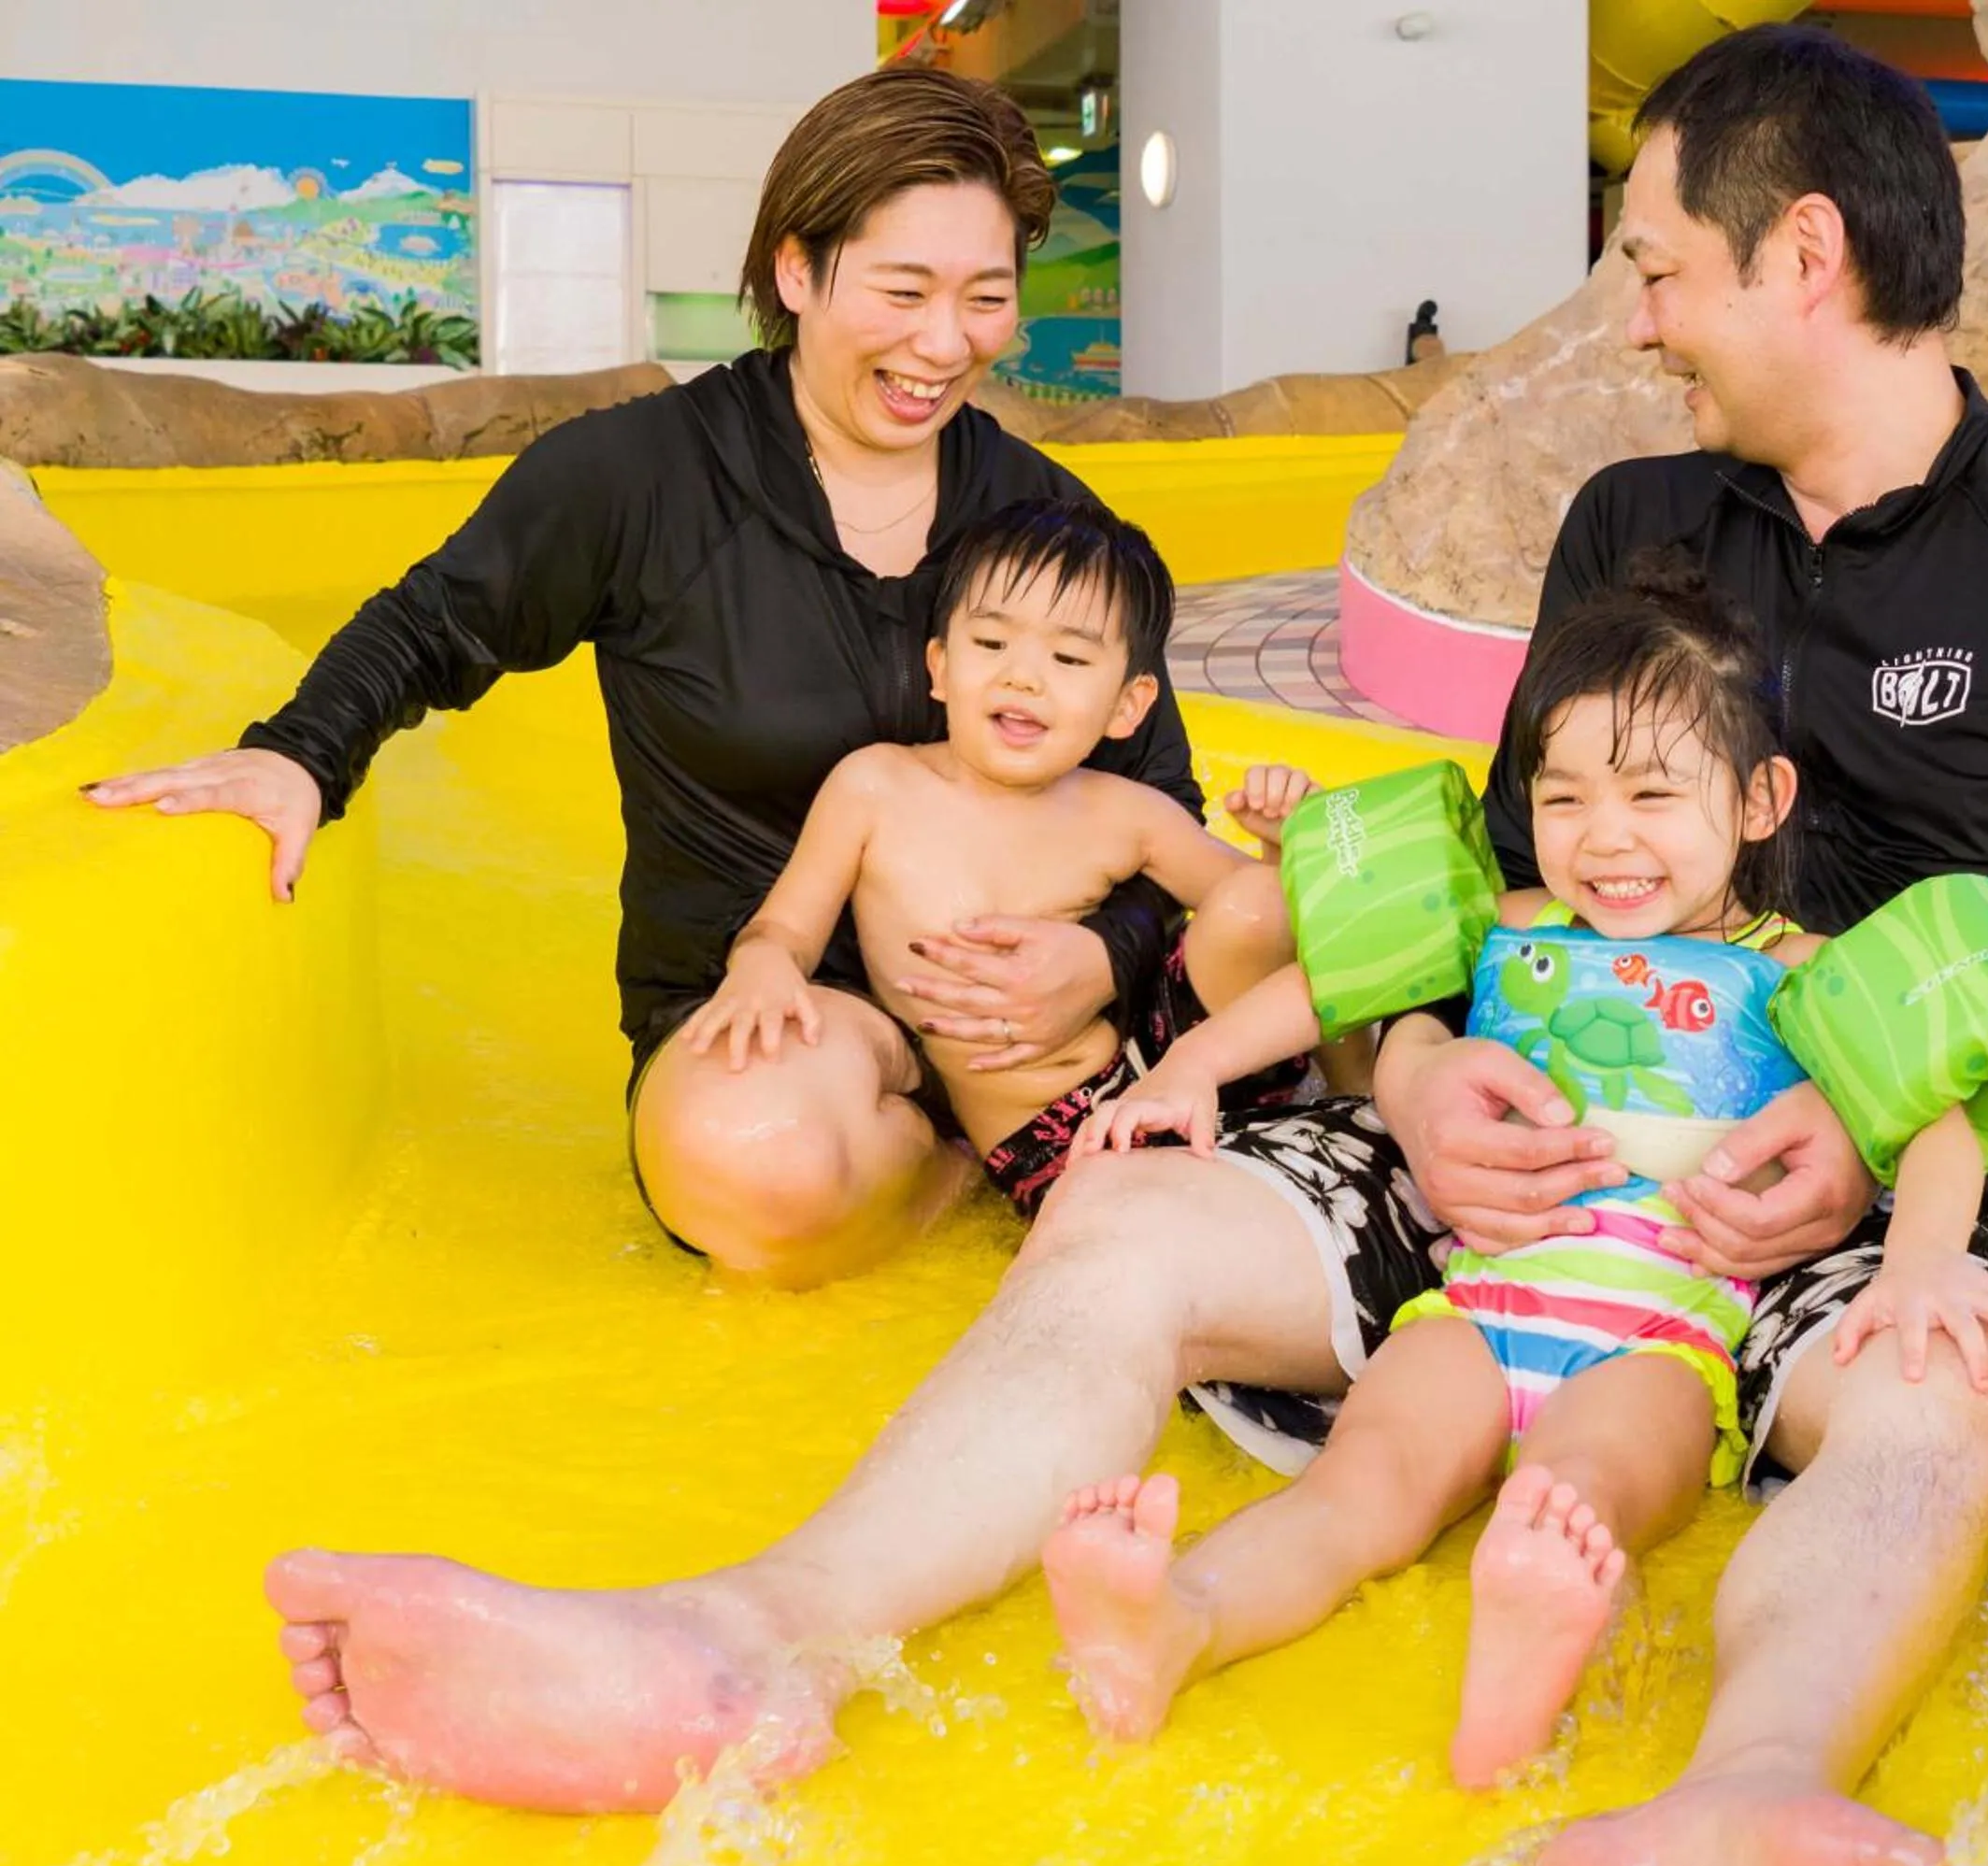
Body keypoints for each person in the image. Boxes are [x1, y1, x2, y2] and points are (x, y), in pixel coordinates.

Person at [259, 29, 1988, 1866]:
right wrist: (1410, 1069)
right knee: (1125, 1215)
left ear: (1806, 256)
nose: (1642, 318)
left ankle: (1740, 1810)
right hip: (1524, 1133)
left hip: (1839, 1191)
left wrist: (1878, 1141)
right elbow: (1484, 888)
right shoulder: (1636, 523)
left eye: (1659, 263)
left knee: (1960, 1391)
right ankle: (756, 1638)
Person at [80, 67, 1202, 1283]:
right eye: (903, 290)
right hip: (765, 1009)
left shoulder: (1044, 519)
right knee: (753, 1163)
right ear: (794, 272)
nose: (946, 342)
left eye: (987, 298)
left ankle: (994, 1135)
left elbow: (1163, 798)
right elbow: (435, 624)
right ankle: (942, 1177)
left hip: (1024, 1016)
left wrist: (1104, 958)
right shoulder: (645, 478)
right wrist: (300, 753)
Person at [1046, 570, 1988, 1789]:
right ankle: (1180, 1620)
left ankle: (1518, 1693)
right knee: (1361, 1484)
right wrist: (1192, 1071)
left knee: (1576, 1498)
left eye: (1652, 793)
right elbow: (1345, 984)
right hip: (1480, 1304)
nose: (1607, 836)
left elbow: (1939, 1107)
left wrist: (1920, 1270)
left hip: (1661, 1336)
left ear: (1759, 799)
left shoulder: (1802, 966)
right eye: (1567, 795)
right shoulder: (1510, 921)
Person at [679, 494, 1319, 1214]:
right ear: (941, 667)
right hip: (1054, 1137)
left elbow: (1276, 924)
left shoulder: (1124, 811)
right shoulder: (875, 787)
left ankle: (1328, 1096)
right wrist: (761, 965)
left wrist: (1278, 846)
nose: (1022, 677)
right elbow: (786, 927)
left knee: (1260, 903)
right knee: (1136, 1230)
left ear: (1127, 708)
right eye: (991, 645)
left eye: (1069, 657)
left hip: (1179, 1065)